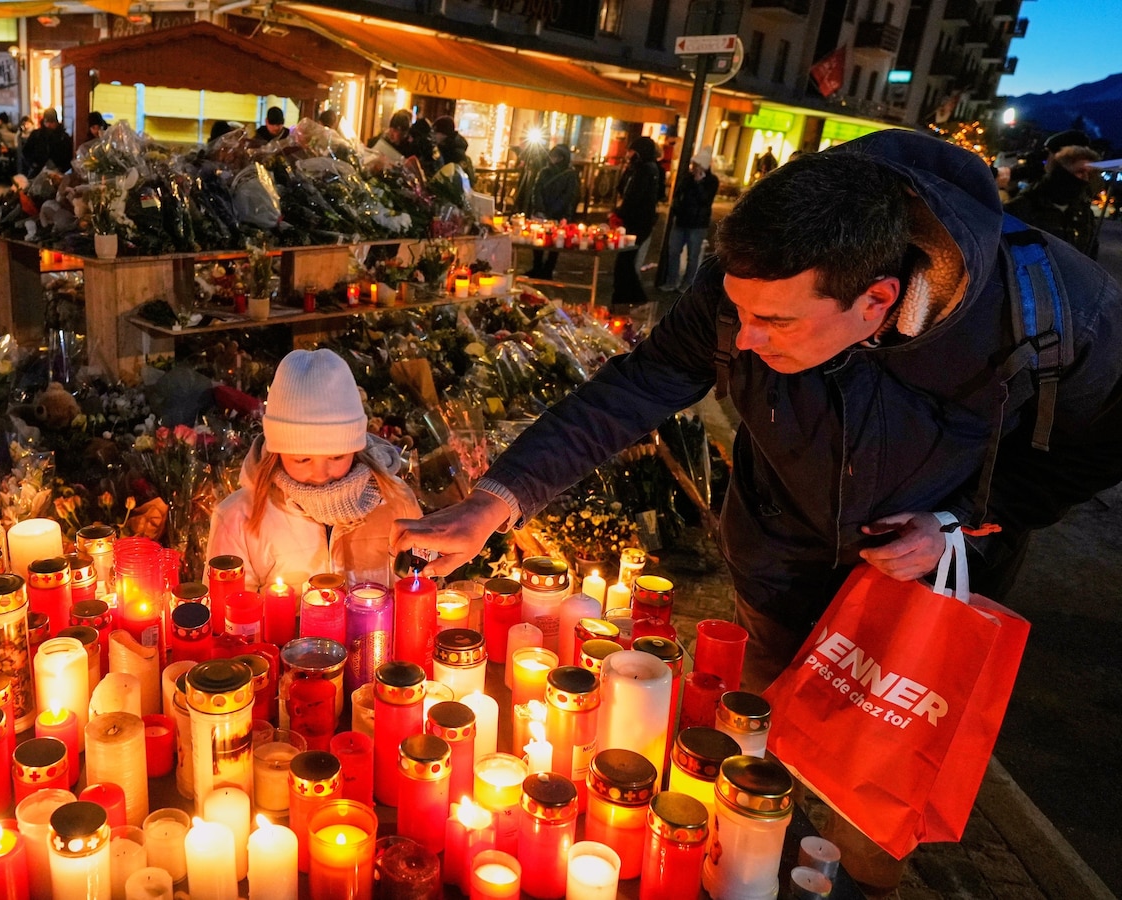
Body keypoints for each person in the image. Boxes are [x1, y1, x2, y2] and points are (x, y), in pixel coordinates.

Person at [393, 130, 1122, 696]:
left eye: (774, 322)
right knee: (767, 761)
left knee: (876, 797)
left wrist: (958, 519)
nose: (743, 338)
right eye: (738, 311)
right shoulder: (750, 283)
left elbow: (1102, 442)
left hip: (925, 594)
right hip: (780, 569)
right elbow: (635, 387)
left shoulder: (1050, 313)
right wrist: (497, 500)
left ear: (878, 302)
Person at [207, 348, 422, 590]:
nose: (321, 474)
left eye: (337, 456)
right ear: (277, 452)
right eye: (302, 460)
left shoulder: (396, 502)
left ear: (357, 447)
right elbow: (227, 616)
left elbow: (419, 590)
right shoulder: (238, 518)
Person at [1005, 143, 1100, 259]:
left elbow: (1090, 253)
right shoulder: (1022, 207)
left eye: (1089, 174)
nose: (1085, 178)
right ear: (1061, 170)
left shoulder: (1084, 214)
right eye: (1080, 171)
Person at [659, 147, 720, 292]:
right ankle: (671, 281)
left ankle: (687, 283)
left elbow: (705, 200)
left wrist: (699, 184)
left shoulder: (711, 181)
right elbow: (679, 194)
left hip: (698, 224)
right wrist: (676, 208)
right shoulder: (687, 178)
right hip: (681, 220)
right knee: (673, 251)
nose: (693, 168)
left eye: (697, 165)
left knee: (693, 256)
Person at [611, 135, 662, 305]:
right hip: (634, 220)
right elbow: (622, 188)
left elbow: (635, 197)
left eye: (632, 151)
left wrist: (620, 212)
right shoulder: (638, 168)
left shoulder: (647, 170)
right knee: (625, 261)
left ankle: (631, 297)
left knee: (625, 261)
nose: (628, 154)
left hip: (638, 222)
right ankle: (627, 297)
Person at [525, 145, 580, 280]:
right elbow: (536, 190)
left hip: (558, 213)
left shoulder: (570, 175)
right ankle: (537, 266)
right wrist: (540, 208)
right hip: (542, 212)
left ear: (562, 158)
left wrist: (556, 212)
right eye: (552, 155)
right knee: (538, 240)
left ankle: (548, 268)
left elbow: (569, 196)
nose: (552, 158)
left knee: (555, 242)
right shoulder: (544, 172)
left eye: (556, 156)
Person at [21, 108, 73, 176]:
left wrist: (61, 168)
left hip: (58, 174)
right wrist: (33, 165)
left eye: (52, 122)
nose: (49, 125)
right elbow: (26, 152)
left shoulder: (63, 137)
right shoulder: (36, 135)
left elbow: (69, 156)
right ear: (43, 122)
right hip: (37, 172)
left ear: (56, 122)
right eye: (47, 122)